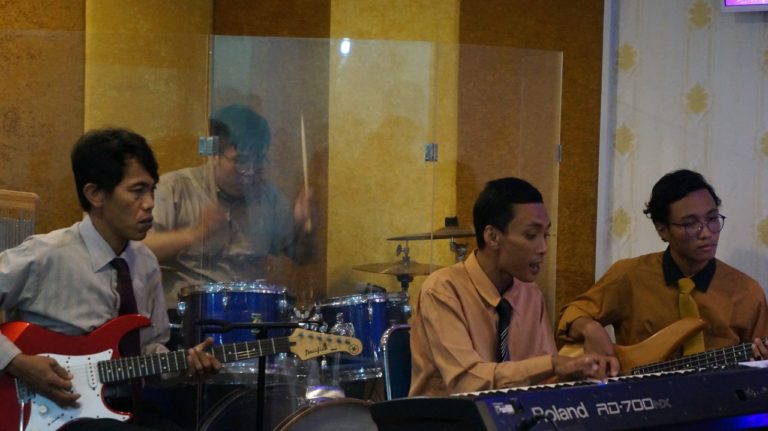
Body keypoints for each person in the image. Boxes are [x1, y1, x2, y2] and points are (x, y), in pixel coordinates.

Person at [0, 128, 221, 430]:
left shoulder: (145, 264)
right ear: (95, 194)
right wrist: (16, 362)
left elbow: (148, 353)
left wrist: (186, 367)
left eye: (152, 190)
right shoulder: (46, 255)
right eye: (137, 190)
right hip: (50, 416)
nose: (150, 203)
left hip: (120, 411)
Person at [409, 177, 618, 397]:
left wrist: (581, 371)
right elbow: (466, 383)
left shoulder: (530, 294)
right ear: (492, 237)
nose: (543, 248)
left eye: (545, 235)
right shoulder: (442, 290)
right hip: (450, 415)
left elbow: (545, 380)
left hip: (512, 414)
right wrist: (553, 364)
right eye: (531, 235)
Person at [557, 169, 768, 369]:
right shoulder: (629, 275)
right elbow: (571, 315)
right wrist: (591, 329)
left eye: (712, 219)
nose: (706, 233)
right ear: (662, 229)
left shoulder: (748, 293)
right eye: (690, 223)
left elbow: (757, 376)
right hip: (637, 390)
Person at [144, 104, 314, 308]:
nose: (250, 171)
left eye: (259, 160)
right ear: (214, 154)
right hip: (189, 314)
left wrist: (304, 228)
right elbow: (139, 249)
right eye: (241, 161)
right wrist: (193, 234)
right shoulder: (175, 188)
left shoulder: (270, 197)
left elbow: (302, 258)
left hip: (251, 313)